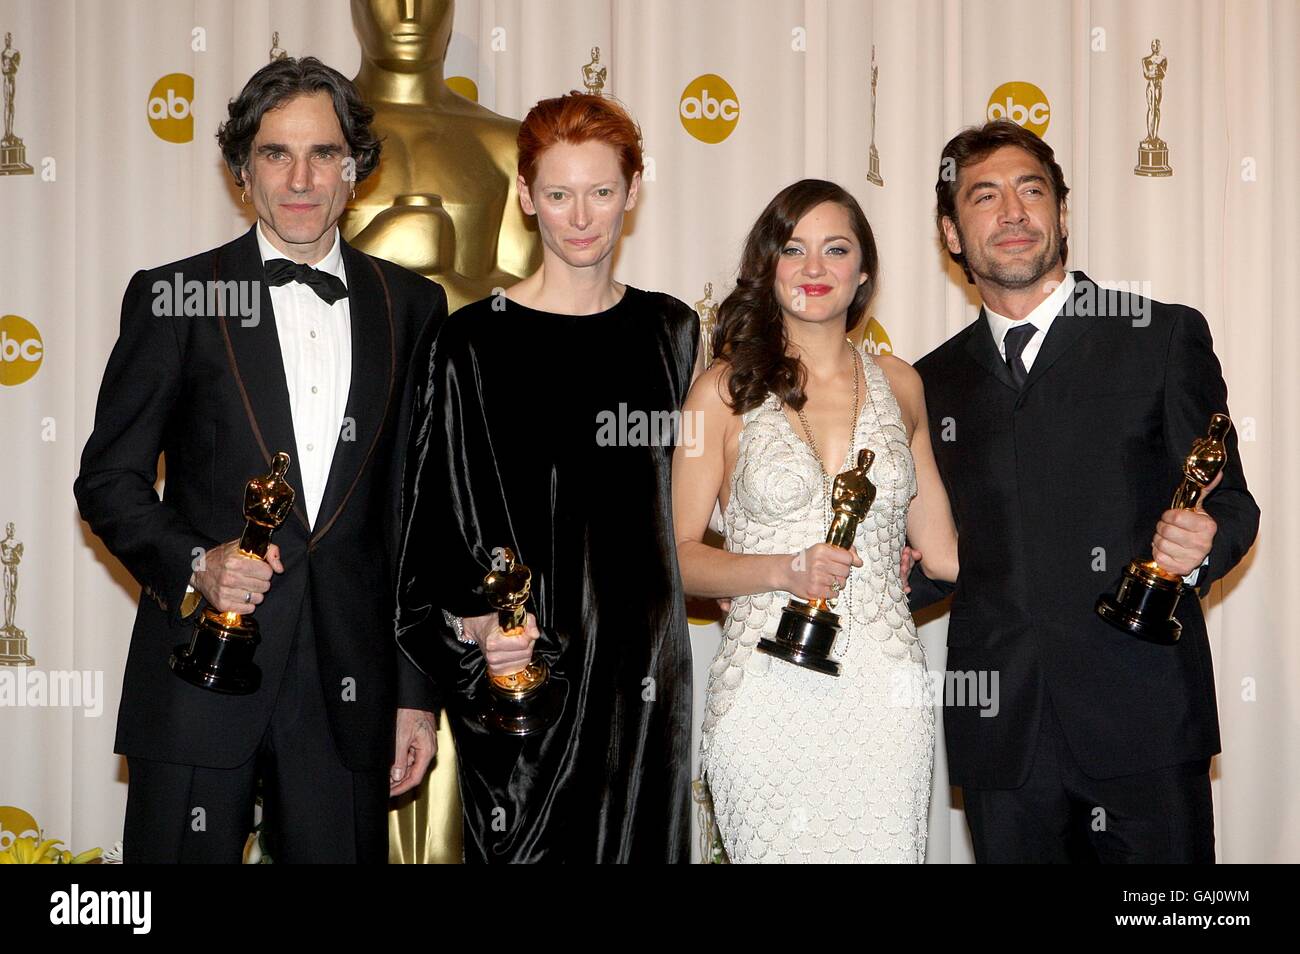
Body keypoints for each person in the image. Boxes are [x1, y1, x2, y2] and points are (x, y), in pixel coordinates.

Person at [74, 57, 444, 863]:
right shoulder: (177, 295)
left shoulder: (413, 307)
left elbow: (418, 515)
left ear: (355, 170)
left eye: (323, 154)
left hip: (349, 691)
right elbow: (108, 480)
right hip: (200, 671)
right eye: (276, 153)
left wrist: (415, 697)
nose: (301, 178)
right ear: (243, 171)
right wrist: (195, 561)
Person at [907, 119, 1260, 863]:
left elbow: (1228, 501)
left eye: (1032, 191)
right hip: (1002, 734)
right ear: (950, 231)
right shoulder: (925, 382)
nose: (1012, 213)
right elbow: (929, 558)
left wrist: (1200, 548)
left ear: (1062, 215)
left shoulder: (1158, 336)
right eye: (985, 196)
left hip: (1146, 718)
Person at [393, 92, 697, 862]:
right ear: (526, 198)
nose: (582, 216)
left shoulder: (672, 331)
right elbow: (434, 524)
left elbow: (711, 492)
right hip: (526, 676)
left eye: (601, 191)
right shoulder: (469, 343)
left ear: (633, 189)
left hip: (643, 676)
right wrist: (479, 628)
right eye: (558, 194)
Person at [674, 179, 959, 863]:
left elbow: (945, 554)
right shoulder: (718, 390)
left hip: (884, 693)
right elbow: (677, 555)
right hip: (764, 689)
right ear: (767, 267)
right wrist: (783, 569)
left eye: (836, 249)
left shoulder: (904, 384)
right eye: (793, 249)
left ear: (863, 272)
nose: (814, 269)